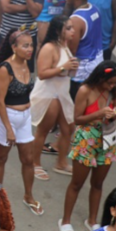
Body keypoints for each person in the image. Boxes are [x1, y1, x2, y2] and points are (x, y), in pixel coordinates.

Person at [61, 61, 116, 231]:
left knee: (98, 184)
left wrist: (114, 115)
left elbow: (115, 114)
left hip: (106, 138)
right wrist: (98, 114)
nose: (112, 86)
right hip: (86, 139)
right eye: (109, 82)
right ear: (100, 77)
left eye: (115, 83)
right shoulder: (85, 91)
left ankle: (92, 220)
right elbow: (77, 119)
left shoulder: (114, 92)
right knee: (77, 183)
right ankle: (65, 220)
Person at [31, 17, 78, 181]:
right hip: (48, 94)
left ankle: (61, 163)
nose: (73, 31)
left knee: (69, 129)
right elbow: (42, 74)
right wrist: (63, 68)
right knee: (43, 131)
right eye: (69, 28)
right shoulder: (49, 48)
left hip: (62, 93)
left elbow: (65, 71)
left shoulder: (65, 47)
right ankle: (35, 164)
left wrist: (72, 69)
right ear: (59, 30)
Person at [0, 30, 37, 194]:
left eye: (31, 45)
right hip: (8, 117)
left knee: (28, 159)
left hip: (25, 117)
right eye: (25, 46)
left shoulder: (27, 62)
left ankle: (29, 195)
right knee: (2, 157)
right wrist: (9, 129)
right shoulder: (5, 69)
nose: (30, 49)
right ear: (14, 47)